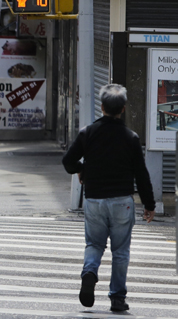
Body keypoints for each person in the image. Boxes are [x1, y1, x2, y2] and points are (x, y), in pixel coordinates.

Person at [62, 84, 156, 312]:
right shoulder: (131, 138)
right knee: (120, 251)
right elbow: (141, 174)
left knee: (94, 244)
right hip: (121, 202)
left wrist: (82, 168)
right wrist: (149, 204)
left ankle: (89, 272)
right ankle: (117, 298)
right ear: (122, 109)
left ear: (101, 107)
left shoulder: (88, 133)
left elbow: (68, 162)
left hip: (94, 200)